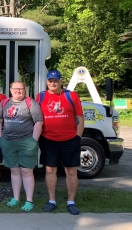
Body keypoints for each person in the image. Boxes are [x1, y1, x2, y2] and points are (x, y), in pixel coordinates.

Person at [36, 69, 84, 215]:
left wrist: (78, 137)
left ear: (61, 81)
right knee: (50, 170)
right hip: (48, 140)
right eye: (50, 81)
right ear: (46, 82)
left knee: (71, 171)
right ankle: (52, 201)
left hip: (70, 139)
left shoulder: (71, 96)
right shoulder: (40, 96)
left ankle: (71, 202)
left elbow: (80, 118)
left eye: (56, 81)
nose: (53, 83)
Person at [0, 81, 43, 211]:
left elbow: (39, 122)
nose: (18, 91)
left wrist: (34, 140)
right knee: (14, 170)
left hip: (26, 141)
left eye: (21, 89)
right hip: (8, 142)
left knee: (27, 171)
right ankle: (16, 198)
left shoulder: (31, 102)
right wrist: (0, 138)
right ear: (10, 90)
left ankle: (29, 200)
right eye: (15, 89)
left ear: (25, 90)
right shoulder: (4, 103)